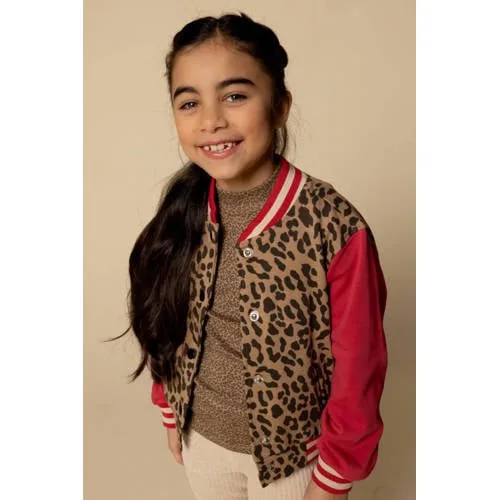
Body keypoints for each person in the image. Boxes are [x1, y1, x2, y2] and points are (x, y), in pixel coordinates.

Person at [120, 12, 388, 500]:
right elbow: (166, 317)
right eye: (189, 103)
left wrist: (333, 478)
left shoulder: (334, 226)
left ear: (280, 105)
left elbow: (359, 369)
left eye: (235, 96)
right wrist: (170, 410)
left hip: (294, 461)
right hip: (201, 444)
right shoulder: (181, 214)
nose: (211, 121)